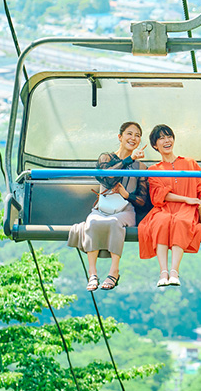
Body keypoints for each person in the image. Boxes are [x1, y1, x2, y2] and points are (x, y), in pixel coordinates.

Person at [67, 121, 149, 291]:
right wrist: (129, 159)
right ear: (120, 137)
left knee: (114, 223)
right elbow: (107, 178)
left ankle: (114, 271)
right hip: (102, 209)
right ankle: (92, 273)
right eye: (129, 134)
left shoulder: (141, 167)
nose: (133, 138)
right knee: (92, 222)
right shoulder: (106, 158)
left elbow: (142, 200)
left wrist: (127, 195)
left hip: (124, 210)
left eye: (137, 135)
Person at [138, 124, 201, 287]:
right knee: (161, 221)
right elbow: (159, 195)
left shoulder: (190, 163)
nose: (166, 140)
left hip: (186, 209)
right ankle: (163, 272)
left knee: (181, 222)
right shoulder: (154, 169)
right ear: (155, 145)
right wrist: (186, 198)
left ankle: (174, 272)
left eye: (169, 136)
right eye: (161, 138)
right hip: (165, 207)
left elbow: (200, 187)